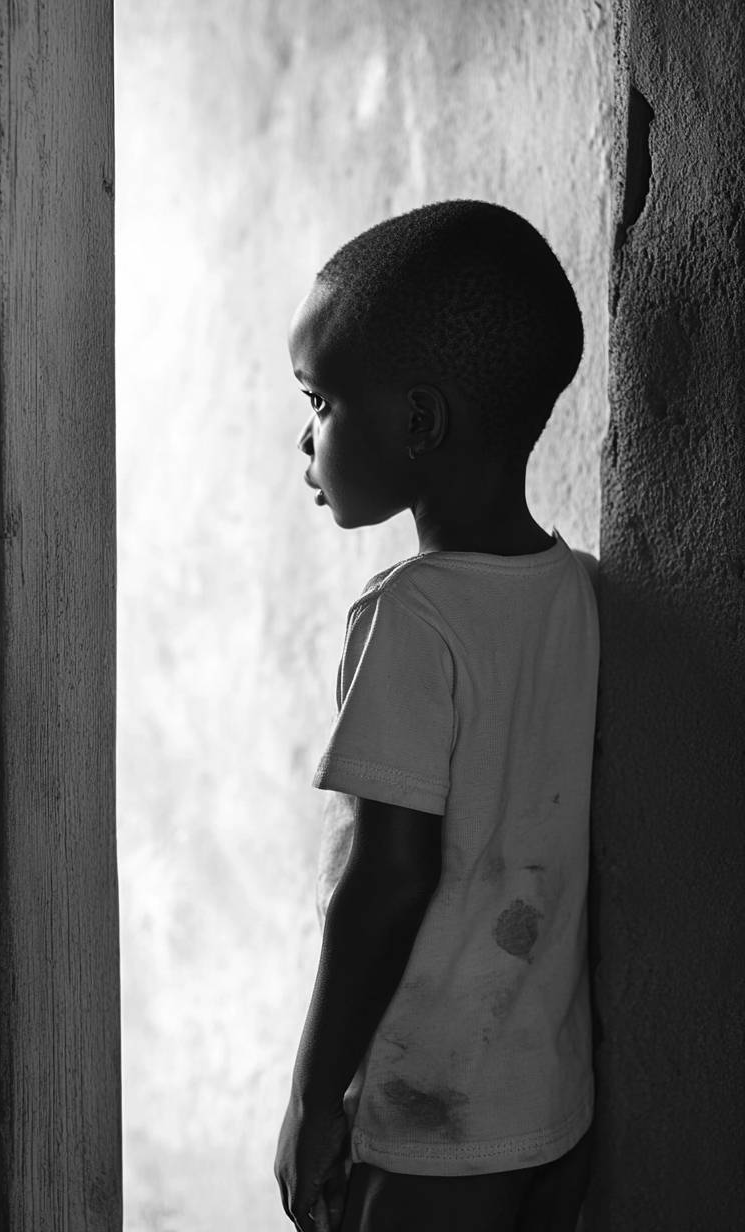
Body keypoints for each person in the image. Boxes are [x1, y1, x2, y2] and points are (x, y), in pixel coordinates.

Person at [273, 200, 599, 1232]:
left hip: (426, 1125)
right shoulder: (577, 592)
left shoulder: (408, 615)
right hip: (549, 1102)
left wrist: (311, 1097)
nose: (305, 436)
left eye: (319, 401)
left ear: (417, 422)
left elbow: (390, 875)